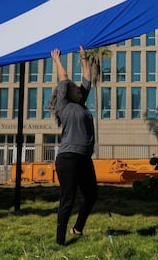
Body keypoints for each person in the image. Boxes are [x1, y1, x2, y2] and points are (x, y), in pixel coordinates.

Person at [51, 45, 97, 246]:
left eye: (79, 89)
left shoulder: (81, 104)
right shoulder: (64, 105)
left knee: (91, 195)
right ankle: (60, 242)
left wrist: (84, 58)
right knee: (67, 200)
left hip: (84, 158)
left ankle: (77, 228)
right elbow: (64, 78)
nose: (79, 88)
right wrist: (57, 60)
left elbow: (87, 79)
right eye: (75, 88)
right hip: (68, 158)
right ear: (67, 93)